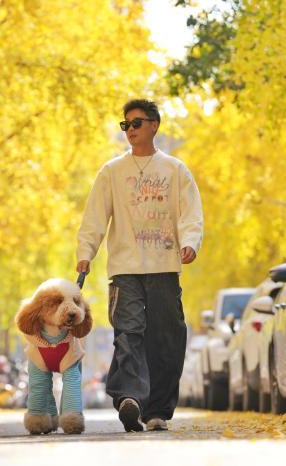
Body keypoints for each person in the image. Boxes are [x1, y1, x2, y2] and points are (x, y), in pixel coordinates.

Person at [76, 99, 203, 432]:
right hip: (125, 269)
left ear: (154, 125)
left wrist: (190, 242)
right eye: (125, 125)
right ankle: (129, 398)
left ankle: (157, 409)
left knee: (167, 338)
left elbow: (191, 212)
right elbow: (94, 217)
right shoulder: (112, 172)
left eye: (136, 123)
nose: (129, 130)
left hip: (164, 266)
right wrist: (86, 251)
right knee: (128, 333)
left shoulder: (175, 170)